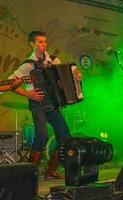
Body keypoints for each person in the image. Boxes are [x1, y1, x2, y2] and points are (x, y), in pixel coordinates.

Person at [9, 31, 82, 179]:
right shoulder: (28, 65)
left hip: (52, 105)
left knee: (65, 137)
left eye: (45, 42)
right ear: (32, 44)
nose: (44, 44)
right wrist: (28, 93)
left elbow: (67, 77)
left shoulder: (54, 61)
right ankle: (28, 175)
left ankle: (50, 170)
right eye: (40, 42)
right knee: (42, 135)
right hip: (37, 104)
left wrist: (77, 77)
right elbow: (12, 82)